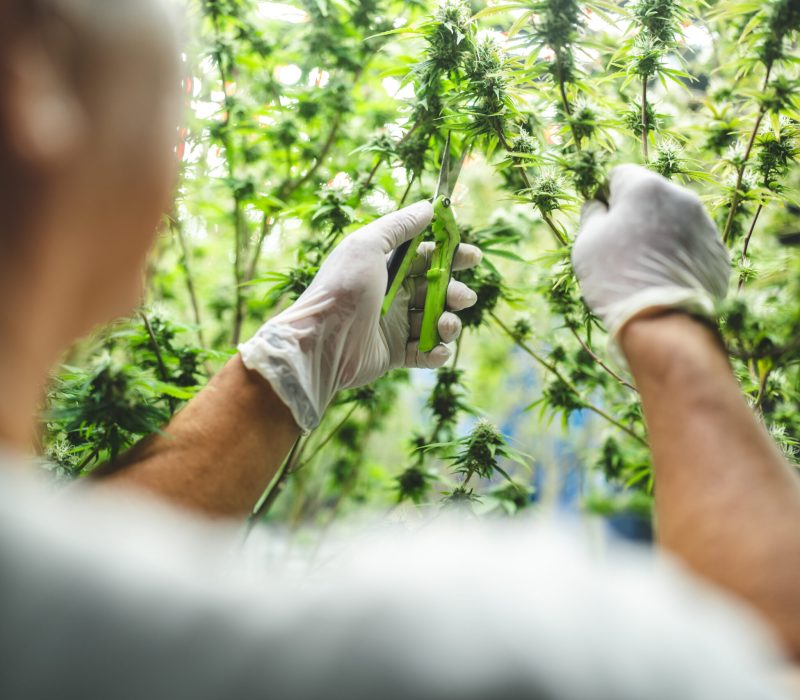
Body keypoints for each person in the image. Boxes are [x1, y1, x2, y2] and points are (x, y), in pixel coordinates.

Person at [0, 0, 798, 697]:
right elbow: (767, 663)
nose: (178, 151)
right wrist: (661, 319)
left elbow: (86, 570)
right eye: (172, 92)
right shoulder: (445, 651)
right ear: (30, 79)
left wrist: (290, 368)